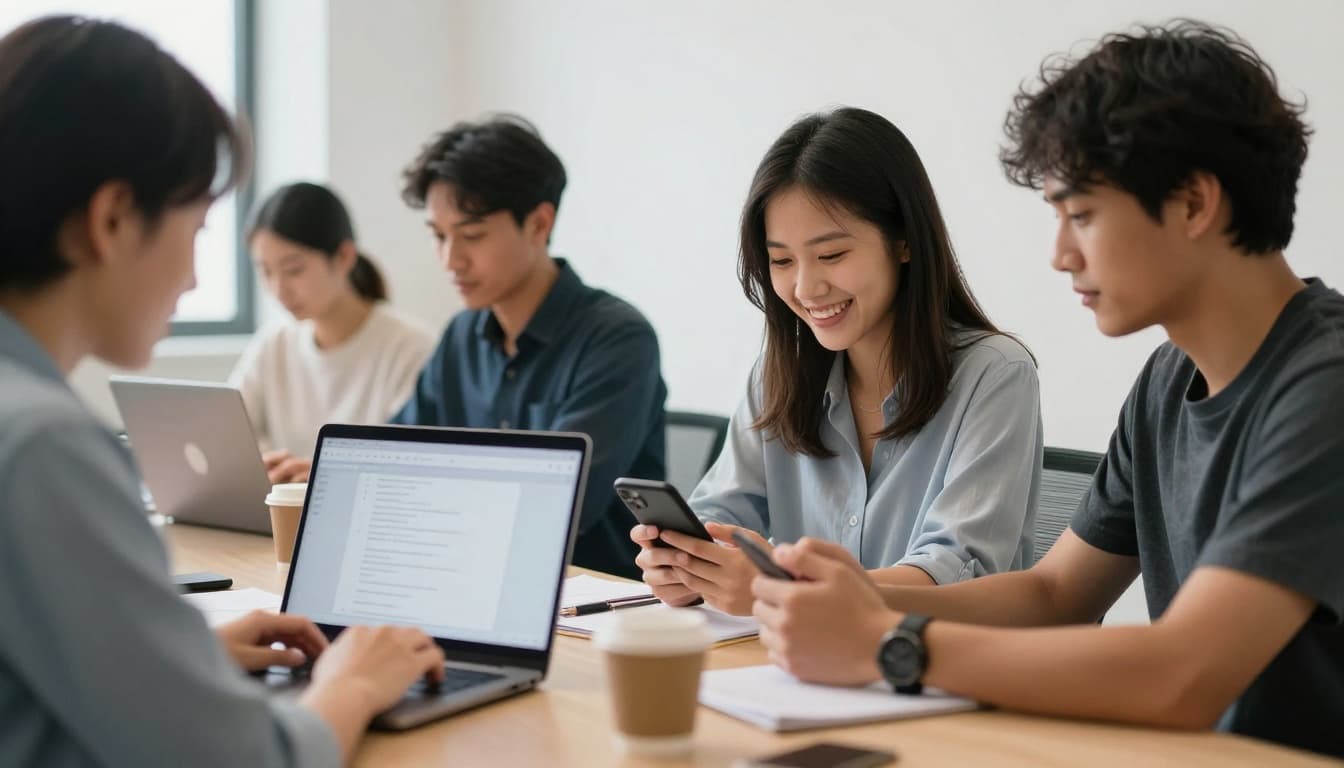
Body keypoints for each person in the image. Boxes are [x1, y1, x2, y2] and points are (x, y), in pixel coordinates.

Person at [751, 21, 1344, 758]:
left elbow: (1185, 675)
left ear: (1194, 204)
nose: (1060, 255)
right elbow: (1055, 596)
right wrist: (865, 596)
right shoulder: (1169, 378)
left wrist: (884, 643)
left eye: (1082, 216)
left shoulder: (1325, 384)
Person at [0, 16, 446, 765]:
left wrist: (175, 655)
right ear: (111, 220)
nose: (196, 279)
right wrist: (353, 683)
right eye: (198, 228)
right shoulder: (43, 444)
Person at [634, 107, 1043, 615]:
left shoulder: (994, 374)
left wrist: (775, 588)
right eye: (781, 261)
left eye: (831, 256)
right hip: (801, 668)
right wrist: (685, 564)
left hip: (946, 669)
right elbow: (718, 513)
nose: (806, 288)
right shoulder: (776, 376)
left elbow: (960, 565)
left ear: (904, 241)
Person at [391, 116, 667, 579]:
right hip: (470, 577)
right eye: (439, 236)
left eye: (472, 235)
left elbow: (557, 511)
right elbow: (400, 468)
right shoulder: (461, 337)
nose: (450, 260)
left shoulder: (617, 338)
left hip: (592, 600)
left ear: (539, 223)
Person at [229, 182, 433, 484]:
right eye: (266, 271)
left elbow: (409, 471)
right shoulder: (274, 344)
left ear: (344, 257)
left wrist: (328, 478)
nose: (278, 290)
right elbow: (229, 436)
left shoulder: (412, 349)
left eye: (294, 270)